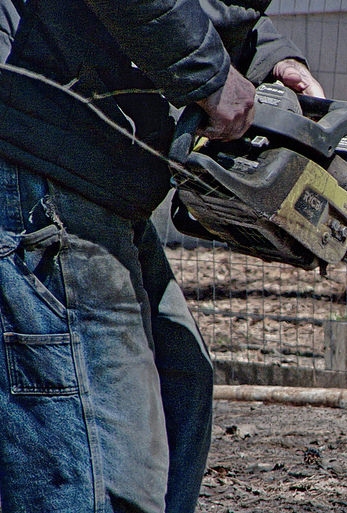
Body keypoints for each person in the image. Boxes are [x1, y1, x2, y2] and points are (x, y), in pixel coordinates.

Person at [0, 1, 323, 512]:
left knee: (180, 387)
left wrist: (268, 58)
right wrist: (209, 75)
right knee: (105, 472)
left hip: (106, 168)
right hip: (43, 151)